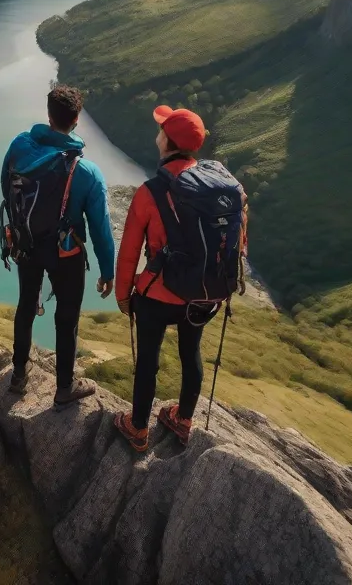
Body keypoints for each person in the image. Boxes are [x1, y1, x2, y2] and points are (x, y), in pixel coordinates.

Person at [113, 106, 247, 452]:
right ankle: (183, 420)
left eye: (161, 130)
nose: (157, 134)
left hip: (157, 294)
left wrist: (123, 294)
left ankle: (138, 428)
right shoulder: (219, 189)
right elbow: (236, 242)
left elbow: (129, 251)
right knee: (192, 353)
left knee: (148, 360)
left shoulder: (150, 192)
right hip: (202, 293)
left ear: (168, 142)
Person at [1, 85, 115, 409]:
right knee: (66, 317)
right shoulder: (86, 171)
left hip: (27, 244)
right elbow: (101, 229)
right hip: (67, 253)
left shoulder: (19, 147)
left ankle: (18, 375)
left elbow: (6, 189)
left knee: (26, 305)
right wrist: (108, 270)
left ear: (48, 115)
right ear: (76, 120)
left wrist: (19, 227)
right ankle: (65, 386)